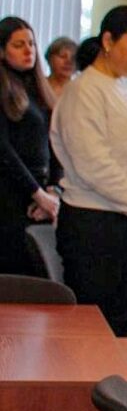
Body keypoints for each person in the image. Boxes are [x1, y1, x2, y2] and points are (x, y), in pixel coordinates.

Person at [51, 5, 127, 335]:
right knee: (93, 333)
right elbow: (94, 164)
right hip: (96, 226)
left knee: (120, 326)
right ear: (108, 41)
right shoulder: (83, 90)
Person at [0, 17, 60, 275]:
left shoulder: (38, 89)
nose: (29, 50)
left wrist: (53, 190)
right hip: (11, 195)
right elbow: (3, 151)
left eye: (32, 44)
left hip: (40, 195)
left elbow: (54, 143)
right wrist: (38, 194)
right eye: (18, 45)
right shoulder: (4, 88)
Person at [43, 36, 77, 104]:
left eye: (73, 58)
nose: (69, 62)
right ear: (49, 59)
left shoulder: (80, 90)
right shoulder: (38, 86)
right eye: (63, 56)